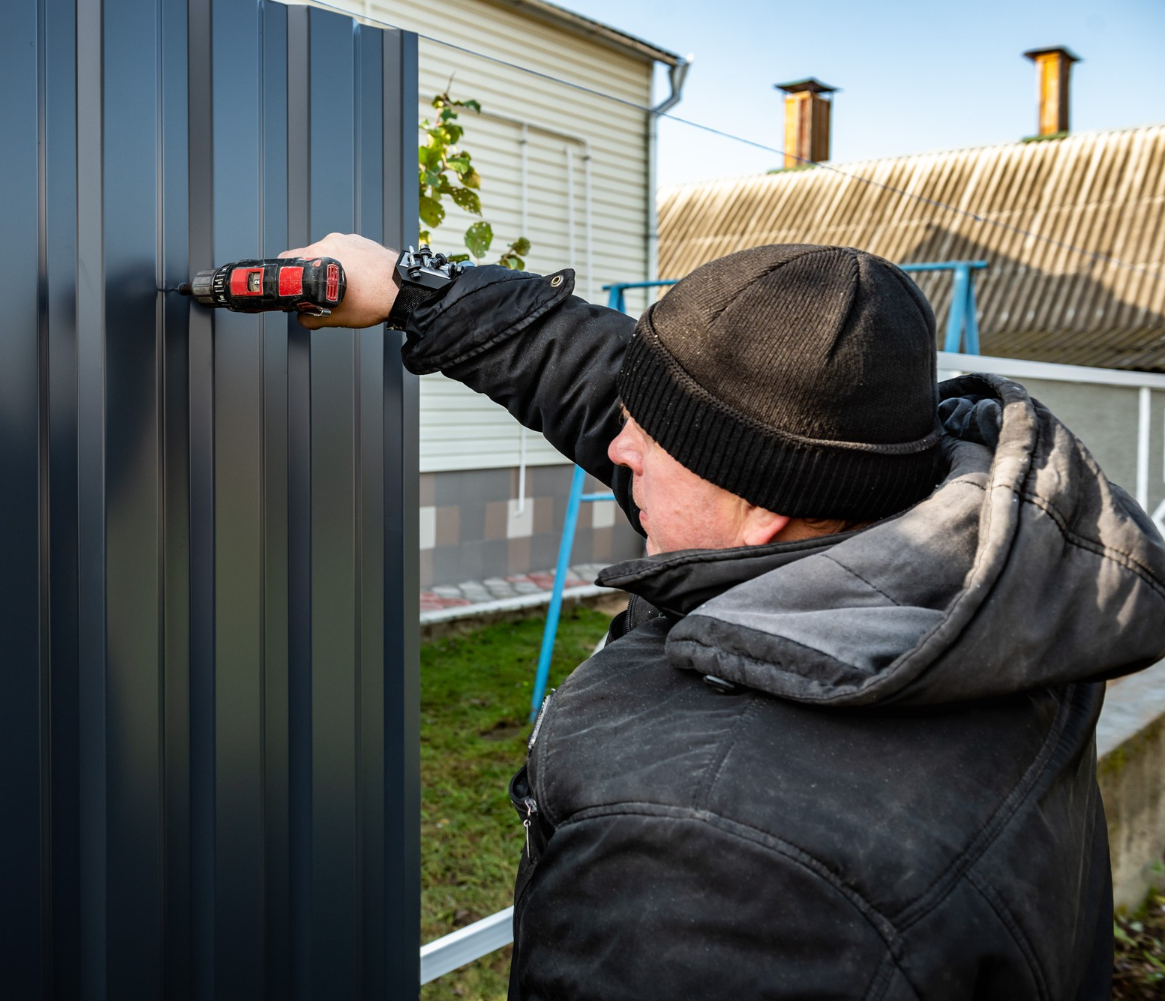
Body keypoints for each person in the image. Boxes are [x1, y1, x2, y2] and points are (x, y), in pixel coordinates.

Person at [281, 233, 1165, 999]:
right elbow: (630, 396)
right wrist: (414, 288)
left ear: (760, 504)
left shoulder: (713, 857)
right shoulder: (968, 558)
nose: (616, 450)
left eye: (647, 441)